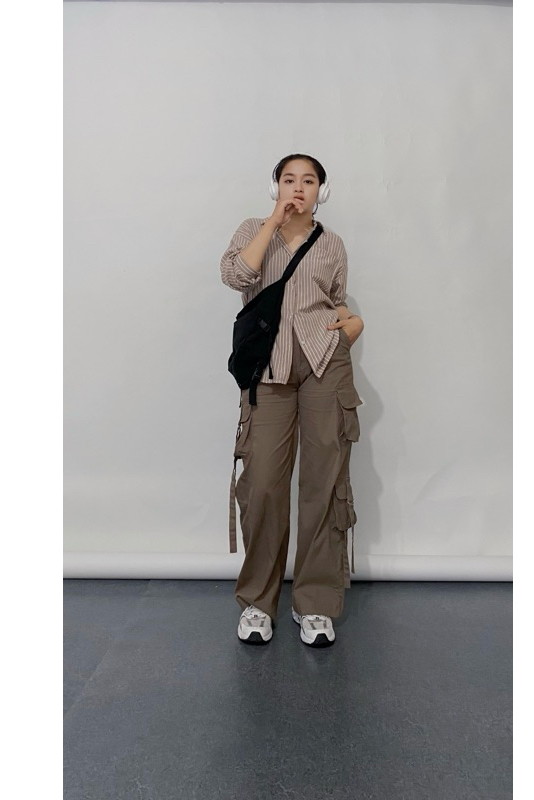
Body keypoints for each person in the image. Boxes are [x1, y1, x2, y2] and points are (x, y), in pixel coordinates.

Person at [220, 154, 365, 648]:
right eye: (289, 180)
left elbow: (337, 298)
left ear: (322, 191)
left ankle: (315, 604)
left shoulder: (332, 244)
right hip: (268, 369)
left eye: (308, 181)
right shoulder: (252, 229)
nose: (298, 188)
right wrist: (273, 222)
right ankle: (258, 603)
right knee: (263, 482)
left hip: (325, 363)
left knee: (323, 483)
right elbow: (237, 277)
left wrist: (352, 323)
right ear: (275, 187)